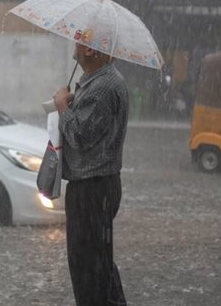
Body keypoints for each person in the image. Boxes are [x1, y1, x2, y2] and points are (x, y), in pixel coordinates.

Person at [53, 41, 128, 306]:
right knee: (97, 261)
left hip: (93, 188)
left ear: (90, 50)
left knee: (88, 265)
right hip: (93, 185)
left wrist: (62, 107)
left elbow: (81, 136)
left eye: (80, 39)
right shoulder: (96, 81)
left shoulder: (104, 87)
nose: (73, 41)